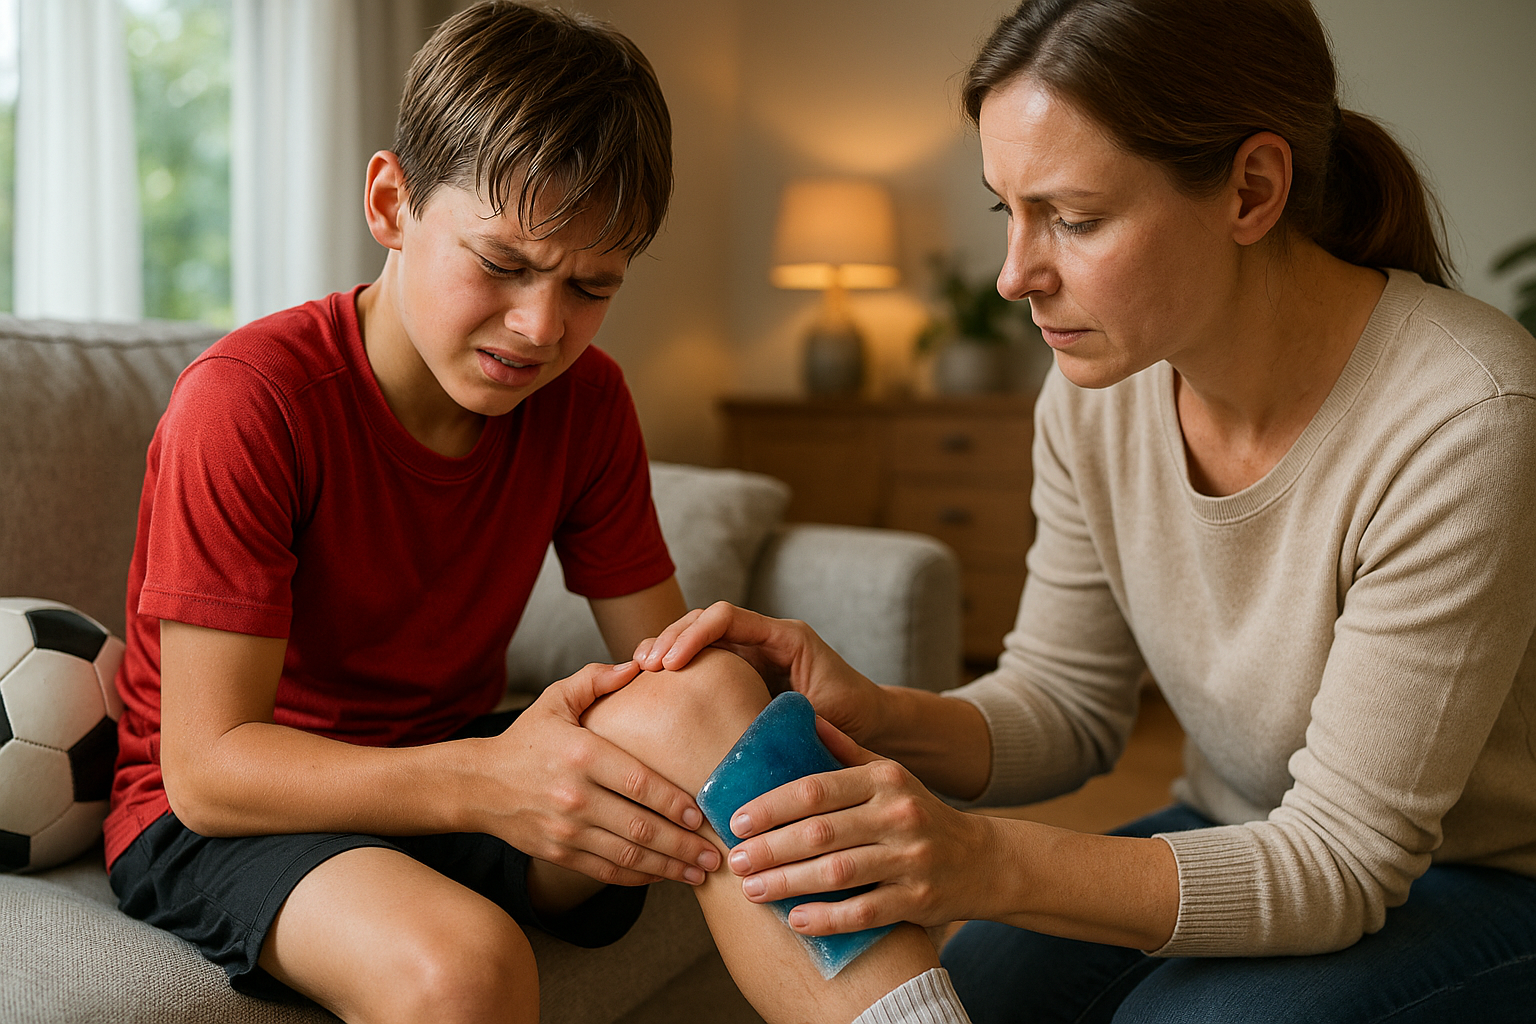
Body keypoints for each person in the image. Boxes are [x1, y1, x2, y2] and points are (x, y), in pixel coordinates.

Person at [632, 0, 1536, 1021]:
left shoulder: (1467, 414)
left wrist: (978, 858)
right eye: (1004, 211)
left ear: (1252, 189)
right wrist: (877, 713)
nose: (1017, 274)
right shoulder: (1097, 393)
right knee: (973, 993)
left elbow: (1340, 859)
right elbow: (1067, 701)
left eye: (1076, 217)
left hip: (1479, 877)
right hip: (1229, 824)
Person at [106, 4, 979, 1022]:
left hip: (450, 748)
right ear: (390, 203)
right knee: (463, 967)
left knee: (707, 690)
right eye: (503, 264)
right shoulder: (250, 402)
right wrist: (487, 781)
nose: (539, 328)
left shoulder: (585, 399)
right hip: (230, 815)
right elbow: (210, 769)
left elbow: (672, 673)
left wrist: (770, 731)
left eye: (591, 285)